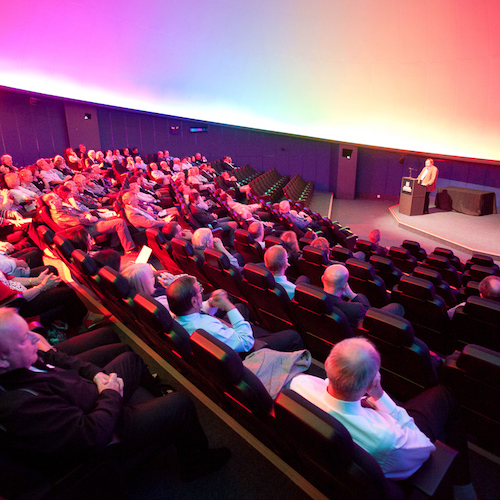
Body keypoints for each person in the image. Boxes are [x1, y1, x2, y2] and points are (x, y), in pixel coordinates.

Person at [0, 308, 231, 487]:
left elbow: (60, 362)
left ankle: (160, 402)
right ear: (2, 360)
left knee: (130, 359)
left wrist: (98, 376)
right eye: (23, 339)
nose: (34, 338)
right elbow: (91, 435)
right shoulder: (20, 405)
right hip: (105, 428)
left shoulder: (21, 362)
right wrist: (110, 394)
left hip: (95, 397)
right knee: (181, 404)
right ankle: (195, 464)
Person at [290, 338, 477, 498]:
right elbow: (425, 447)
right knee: (444, 396)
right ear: (373, 382)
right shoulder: (386, 439)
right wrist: (379, 396)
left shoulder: (299, 385)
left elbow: (326, 386)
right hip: (393, 462)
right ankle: (463, 484)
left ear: (327, 365)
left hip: (330, 466)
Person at [167, 275, 304, 353]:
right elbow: (246, 342)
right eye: (199, 290)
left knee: (241, 307)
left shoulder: (176, 316)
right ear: (194, 300)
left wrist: (210, 303)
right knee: (293, 336)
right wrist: (229, 307)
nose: (201, 292)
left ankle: (258, 331)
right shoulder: (207, 328)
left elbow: (197, 310)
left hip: (226, 334)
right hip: (246, 349)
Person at [46, 192, 137, 255]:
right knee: (119, 223)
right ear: (52, 202)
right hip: (86, 228)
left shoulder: (64, 208)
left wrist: (87, 215)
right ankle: (129, 250)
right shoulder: (58, 216)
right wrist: (89, 218)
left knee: (116, 218)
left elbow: (81, 212)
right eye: (57, 198)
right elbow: (78, 221)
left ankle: (114, 247)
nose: (60, 199)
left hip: (90, 222)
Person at [321, 264, 404, 328]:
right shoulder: (355, 309)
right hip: (359, 336)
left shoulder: (312, 296)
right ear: (344, 286)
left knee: (360, 296)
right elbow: (370, 316)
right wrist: (352, 295)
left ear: (322, 279)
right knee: (397, 307)